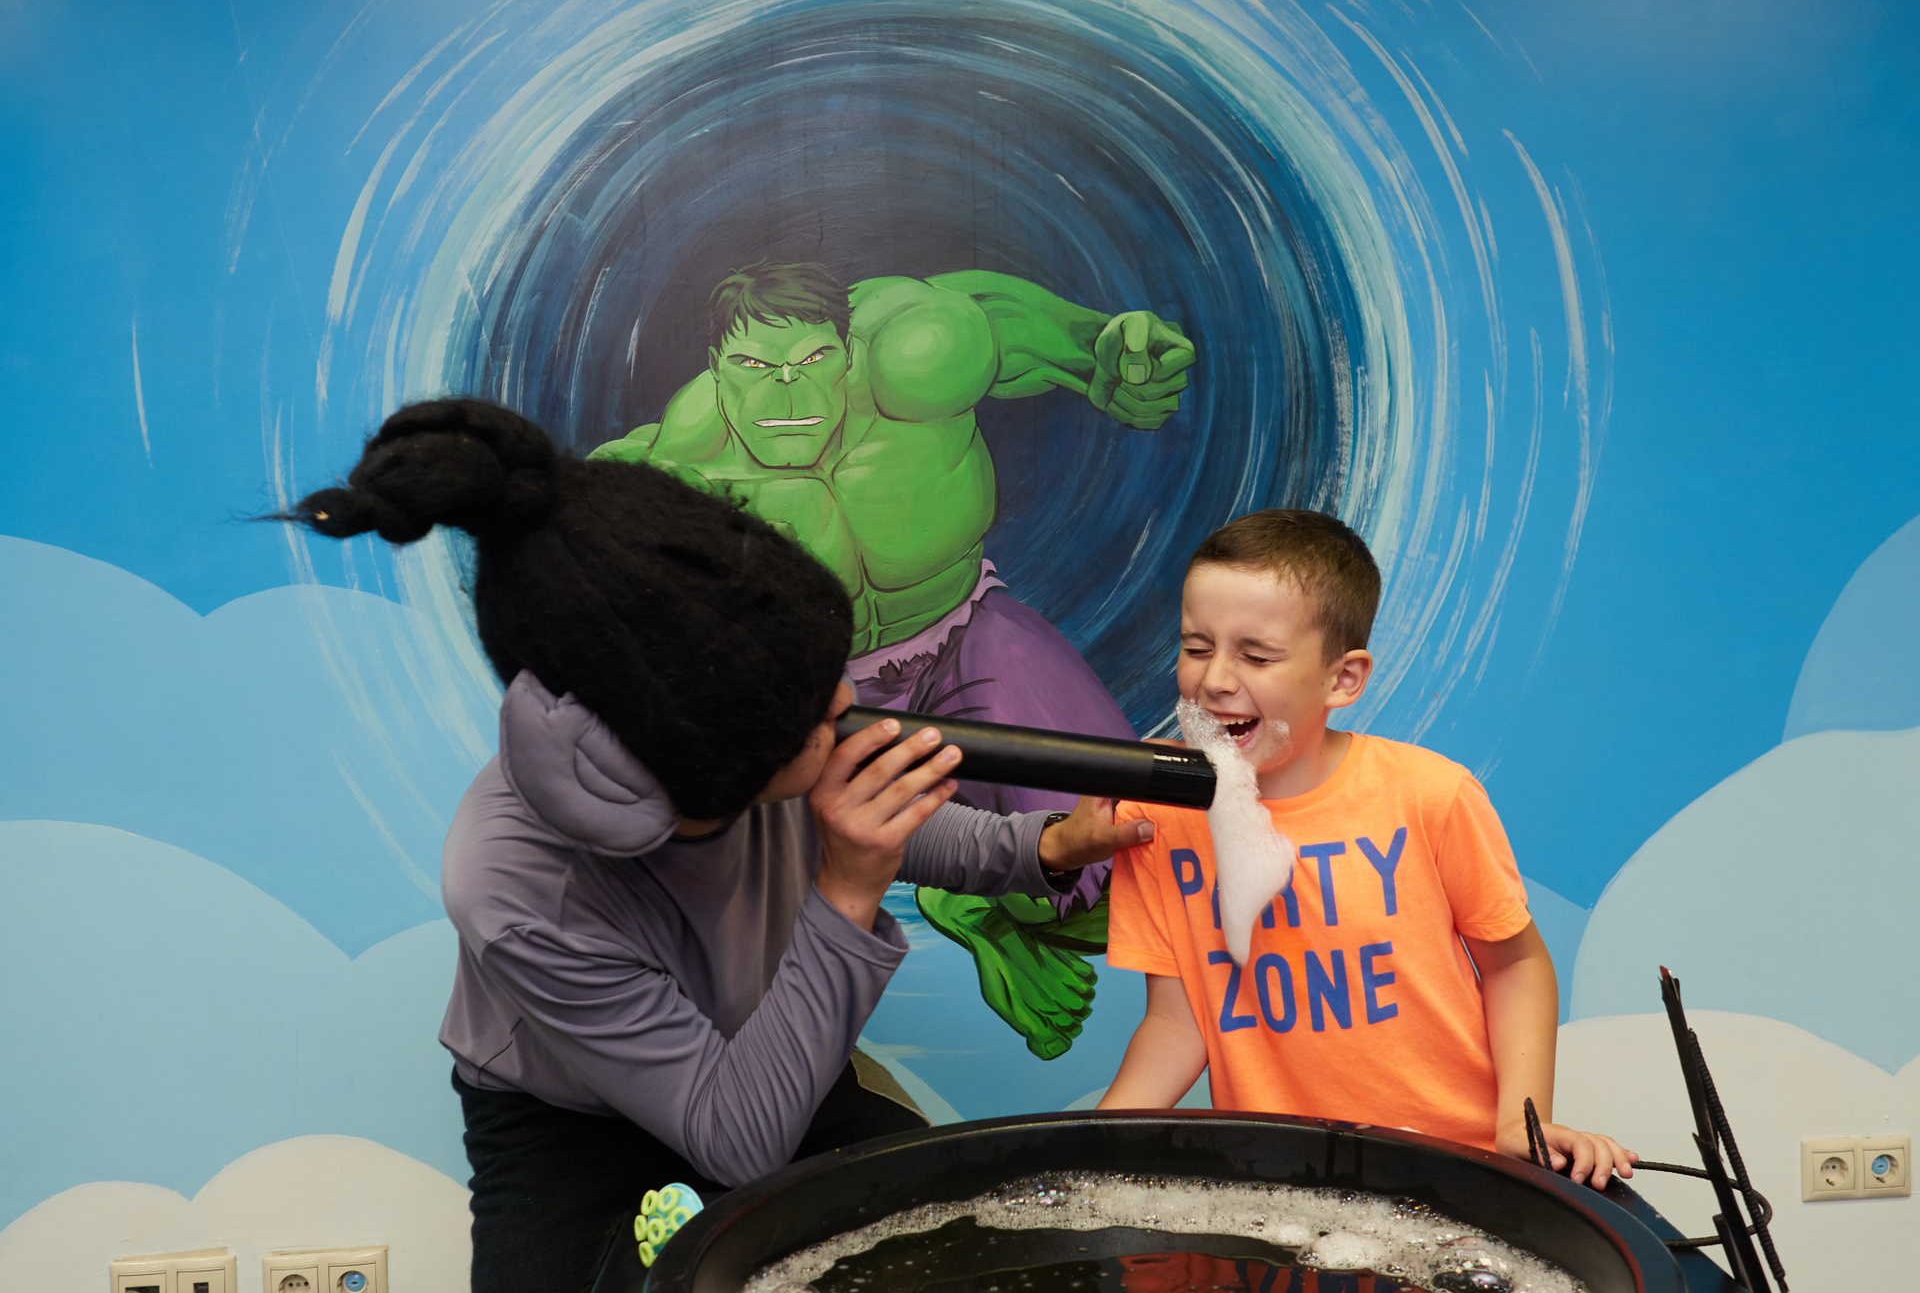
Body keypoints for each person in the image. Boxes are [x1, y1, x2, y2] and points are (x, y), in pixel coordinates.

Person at [282, 397, 1149, 1293]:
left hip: (778, 1056)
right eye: (817, 716)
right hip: (572, 1126)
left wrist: (1049, 845)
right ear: (711, 777)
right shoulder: (511, 881)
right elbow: (738, 1141)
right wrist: (849, 892)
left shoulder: (759, 720)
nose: (845, 710)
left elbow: (888, 815)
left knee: (974, 1260)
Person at [591, 261, 1197, 1056]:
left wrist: (1104, 353)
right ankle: (971, 894)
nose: (787, 395)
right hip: (835, 702)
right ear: (717, 369)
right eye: (754, 367)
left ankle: (987, 905)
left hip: (969, 632)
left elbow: (1028, 334)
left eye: (813, 361)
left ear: (848, 353)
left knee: (1142, 864)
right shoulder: (677, 472)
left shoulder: (915, 355)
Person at [1098, 509, 1638, 1188]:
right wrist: (1087, 1145)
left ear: (1343, 680)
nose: (1215, 681)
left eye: (1256, 656)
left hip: (1458, 1173)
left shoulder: (1430, 794)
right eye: (1197, 647)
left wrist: (1520, 1121)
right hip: (1284, 1184)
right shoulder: (1157, 813)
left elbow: (1515, 964)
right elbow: (1178, 1023)